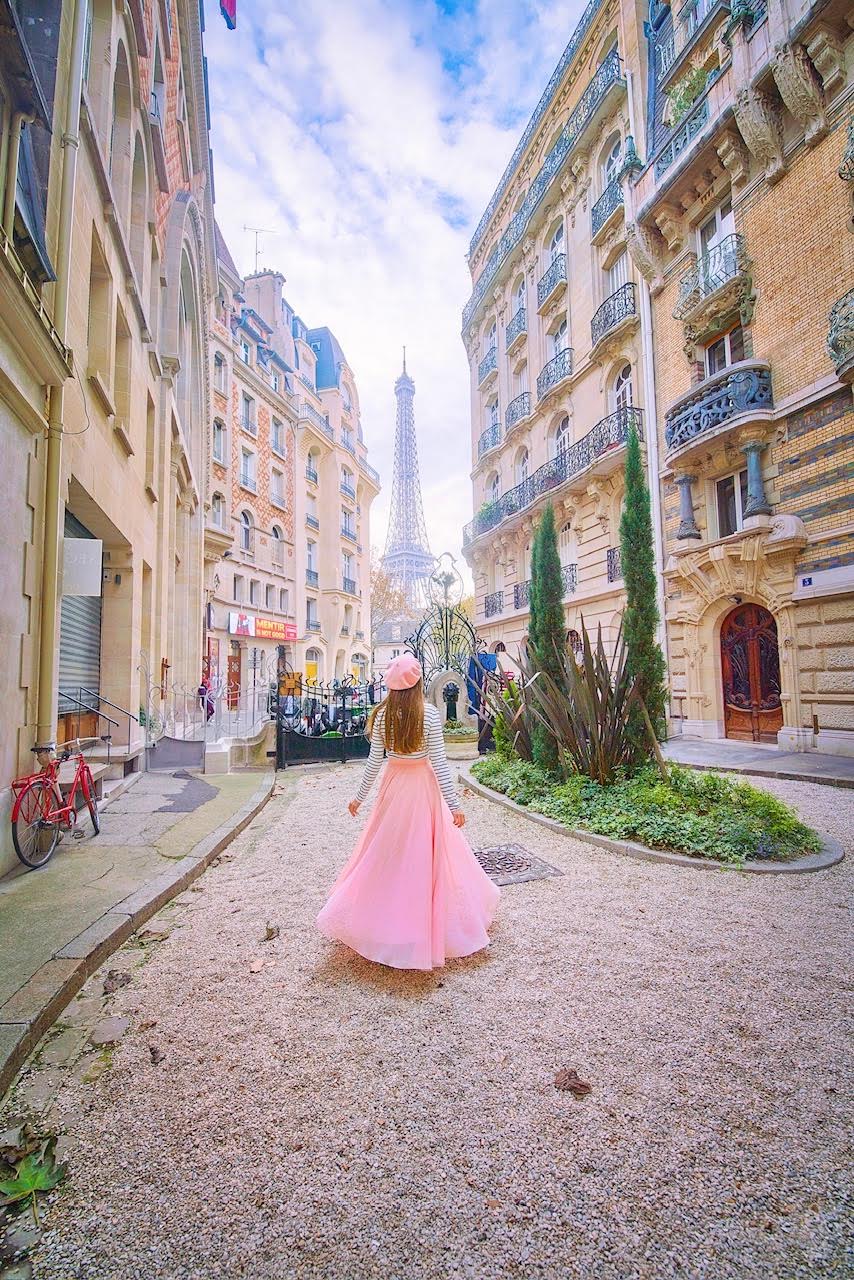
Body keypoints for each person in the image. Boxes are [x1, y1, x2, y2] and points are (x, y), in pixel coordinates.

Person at [317, 653, 499, 971]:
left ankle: (383, 920)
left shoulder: (383, 715)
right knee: (423, 856)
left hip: (394, 785)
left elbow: (374, 762)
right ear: (417, 683)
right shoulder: (428, 714)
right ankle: (422, 923)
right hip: (421, 787)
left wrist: (359, 799)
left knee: (386, 852)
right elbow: (440, 763)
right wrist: (454, 806)